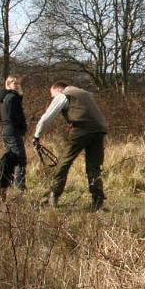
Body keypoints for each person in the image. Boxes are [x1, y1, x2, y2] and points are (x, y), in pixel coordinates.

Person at [33, 81, 108, 210]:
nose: (53, 98)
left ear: (58, 90)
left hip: (81, 129)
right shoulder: (86, 94)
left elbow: (46, 118)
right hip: (100, 130)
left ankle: (53, 195)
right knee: (93, 166)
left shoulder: (63, 95)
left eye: (53, 95)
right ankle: (97, 201)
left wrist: (36, 136)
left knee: (64, 162)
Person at [0, 75, 27, 191]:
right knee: (20, 159)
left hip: (6, 131)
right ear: (8, 84)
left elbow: (0, 117)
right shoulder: (12, 98)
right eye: (14, 84)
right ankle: (20, 189)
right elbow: (14, 116)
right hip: (13, 131)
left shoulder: (4, 98)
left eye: (18, 83)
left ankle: (6, 185)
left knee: (10, 160)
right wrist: (22, 126)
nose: (17, 86)